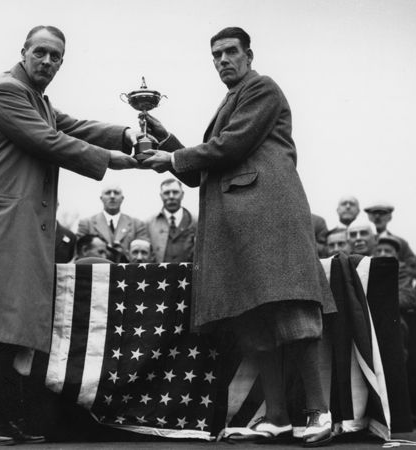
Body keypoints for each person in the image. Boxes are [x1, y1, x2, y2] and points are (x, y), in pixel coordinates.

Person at [0, 25, 137, 445]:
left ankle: (0, 420)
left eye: (56, 57)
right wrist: (113, 160)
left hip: (6, 227)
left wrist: (126, 135)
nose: (47, 62)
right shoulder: (6, 91)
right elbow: (50, 140)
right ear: (23, 52)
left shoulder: (37, 99)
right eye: (40, 53)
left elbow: (72, 125)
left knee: (5, 327)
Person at [141, 27, 335, 446]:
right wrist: (164, 139)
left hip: (269, 217)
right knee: (255, 323)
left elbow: (231, 146)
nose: (223, 60)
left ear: (249, 54)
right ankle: (279, 417)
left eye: (231, 52)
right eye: (216, 55)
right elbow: (198, 172)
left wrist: (173, 155)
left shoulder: (261, 87)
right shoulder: (231, 99)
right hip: (236, 227)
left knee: (292, 314)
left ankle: (319, 413)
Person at [76, 184, 148, 262]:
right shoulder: (86, 223)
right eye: (108, 193)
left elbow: (145, 253)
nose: (112, 196)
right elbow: (80, 253)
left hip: (127, 271)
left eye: (116, 193)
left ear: (122, 198)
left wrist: (123, 253)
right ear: (101, 198)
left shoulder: (137, 224)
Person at [145, 178, 196, 263]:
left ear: (182, 194)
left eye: (175, 192)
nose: (171, 196)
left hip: (189, 274)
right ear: (161, 196)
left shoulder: (195, 221)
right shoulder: (149, 224)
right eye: (166, 193)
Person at [363, 201, 416, 269]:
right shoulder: (364, 241)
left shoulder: (400, 242)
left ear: (390, 217)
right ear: (369, 217)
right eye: (374, 213)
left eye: (382, 213)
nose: (377, 217)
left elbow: (411, 264)